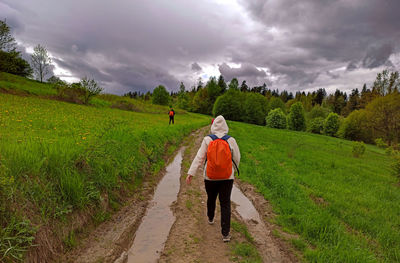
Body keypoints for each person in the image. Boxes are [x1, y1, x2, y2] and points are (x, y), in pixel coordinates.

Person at [186, 115, 240, 242]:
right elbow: (237, 158)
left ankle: (210, 217)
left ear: (213, 126)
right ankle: (225, 234)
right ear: (225, 126)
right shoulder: (231, 140)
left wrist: (191, 173)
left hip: (210, 177)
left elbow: (199, 158)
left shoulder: (207, 139)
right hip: (227, 177)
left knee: (211, 198)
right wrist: (231, 169)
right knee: (225, 203)